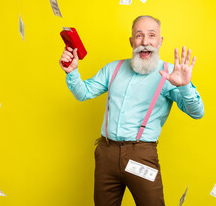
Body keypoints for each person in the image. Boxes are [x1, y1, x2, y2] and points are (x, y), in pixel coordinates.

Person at [59, 15, 204, 206]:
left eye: (152, 36)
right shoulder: (113, 68)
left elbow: (197, 112)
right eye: (139, 35)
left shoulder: (171, 74)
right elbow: (83, 93)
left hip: (141, 155)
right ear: (131, 41)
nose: (145, 42)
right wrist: (72, 72)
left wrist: (185, 86)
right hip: (106, 153)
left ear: (160, 41)